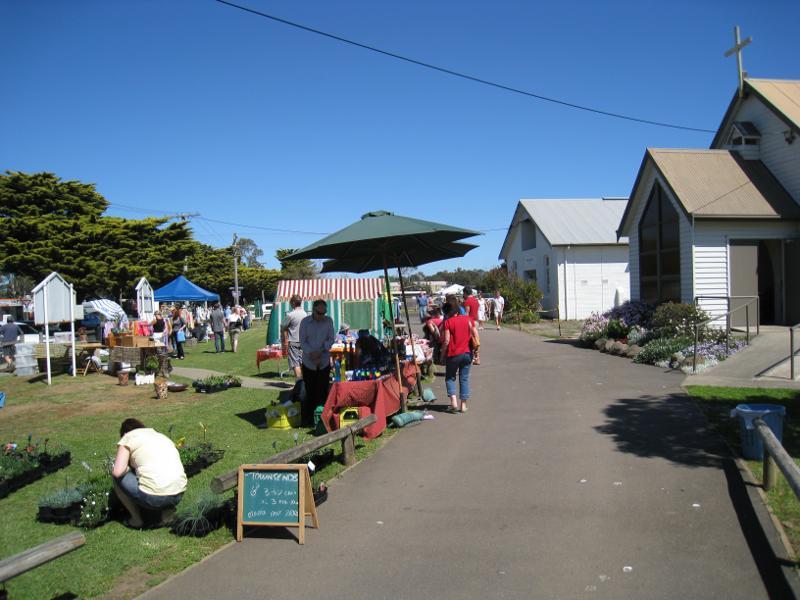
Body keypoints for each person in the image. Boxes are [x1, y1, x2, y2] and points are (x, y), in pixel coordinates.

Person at [111, 418, 187, 529]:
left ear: (124, 433)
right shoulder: (160, 436)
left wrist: (127, 469)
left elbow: (117, 472)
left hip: (154, 498)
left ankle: (136, 520)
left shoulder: (128, 438)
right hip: (178, 493)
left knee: (116, 478)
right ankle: (167, 515)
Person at [299, 299, 335, 427]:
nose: (321, 316)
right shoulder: (305, 322)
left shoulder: (329, 321)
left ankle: (322, 418)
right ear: (313, 310)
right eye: (319, 313)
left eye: (323, 313)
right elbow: (302, 341)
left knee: (323, 388)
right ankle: (308, 418)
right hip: (309, 362)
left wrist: (321, 350)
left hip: (324, 360)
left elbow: (331, 338)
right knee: (309, 390)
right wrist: (312, 353)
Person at [441, 296, 478, 414]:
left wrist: (442, 355)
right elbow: (475, 334)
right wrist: (477, 351)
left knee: (450, 377)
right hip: (467, 353)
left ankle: (453, 403)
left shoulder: (448, 322)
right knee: (464, 378)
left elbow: (446, 341)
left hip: (453, 354)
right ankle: (463, 405)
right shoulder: (468, 320)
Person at [281, 295, 307, 381]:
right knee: (302, 363)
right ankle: (304, 384)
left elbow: (283, 327)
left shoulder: (290, 315)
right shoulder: (305, 314)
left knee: (296, 364)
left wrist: (285, 341)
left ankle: (299, 385)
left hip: (293, 342)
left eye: (290, 303)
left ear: (293, 303)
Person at [462, 287, 481, 365]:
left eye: (463, 293)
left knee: (470, 341)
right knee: (475, 340)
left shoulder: (467, 301)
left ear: (465, 293)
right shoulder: (476, 300)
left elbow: (466, 314)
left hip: (470, 323)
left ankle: (472, 357)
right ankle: (477, 358)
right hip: (476, 321)